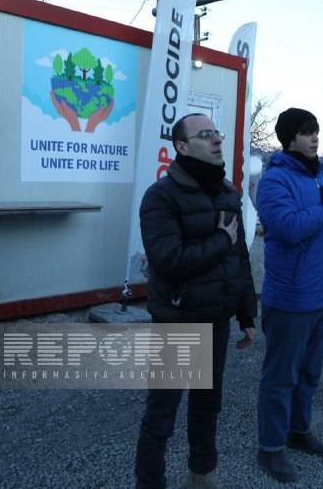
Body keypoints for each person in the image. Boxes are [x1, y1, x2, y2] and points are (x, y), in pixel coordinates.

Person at [135, 113, 257, 489]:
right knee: (162, 412)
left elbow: (240, 258)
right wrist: (220, 239)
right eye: (205, 135)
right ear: (182, 147)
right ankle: (150, 482)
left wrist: (246, 313)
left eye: (216, 133)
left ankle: (202, 475)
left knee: (207, 406)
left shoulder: (227, 193)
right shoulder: (161, 196)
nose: (216, 140)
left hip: (217, 317)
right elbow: (168, 260)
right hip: (178, 320)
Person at [255, 108, 323, 483]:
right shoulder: (274, 180)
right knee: (281, 376)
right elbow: (289, 228)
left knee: (309, 372)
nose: (315, 138)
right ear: (289, 137)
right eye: (307, 132)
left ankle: (298, 430)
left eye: (316, 131)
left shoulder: (322, 178)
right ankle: (270, 447)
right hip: (291, 296)